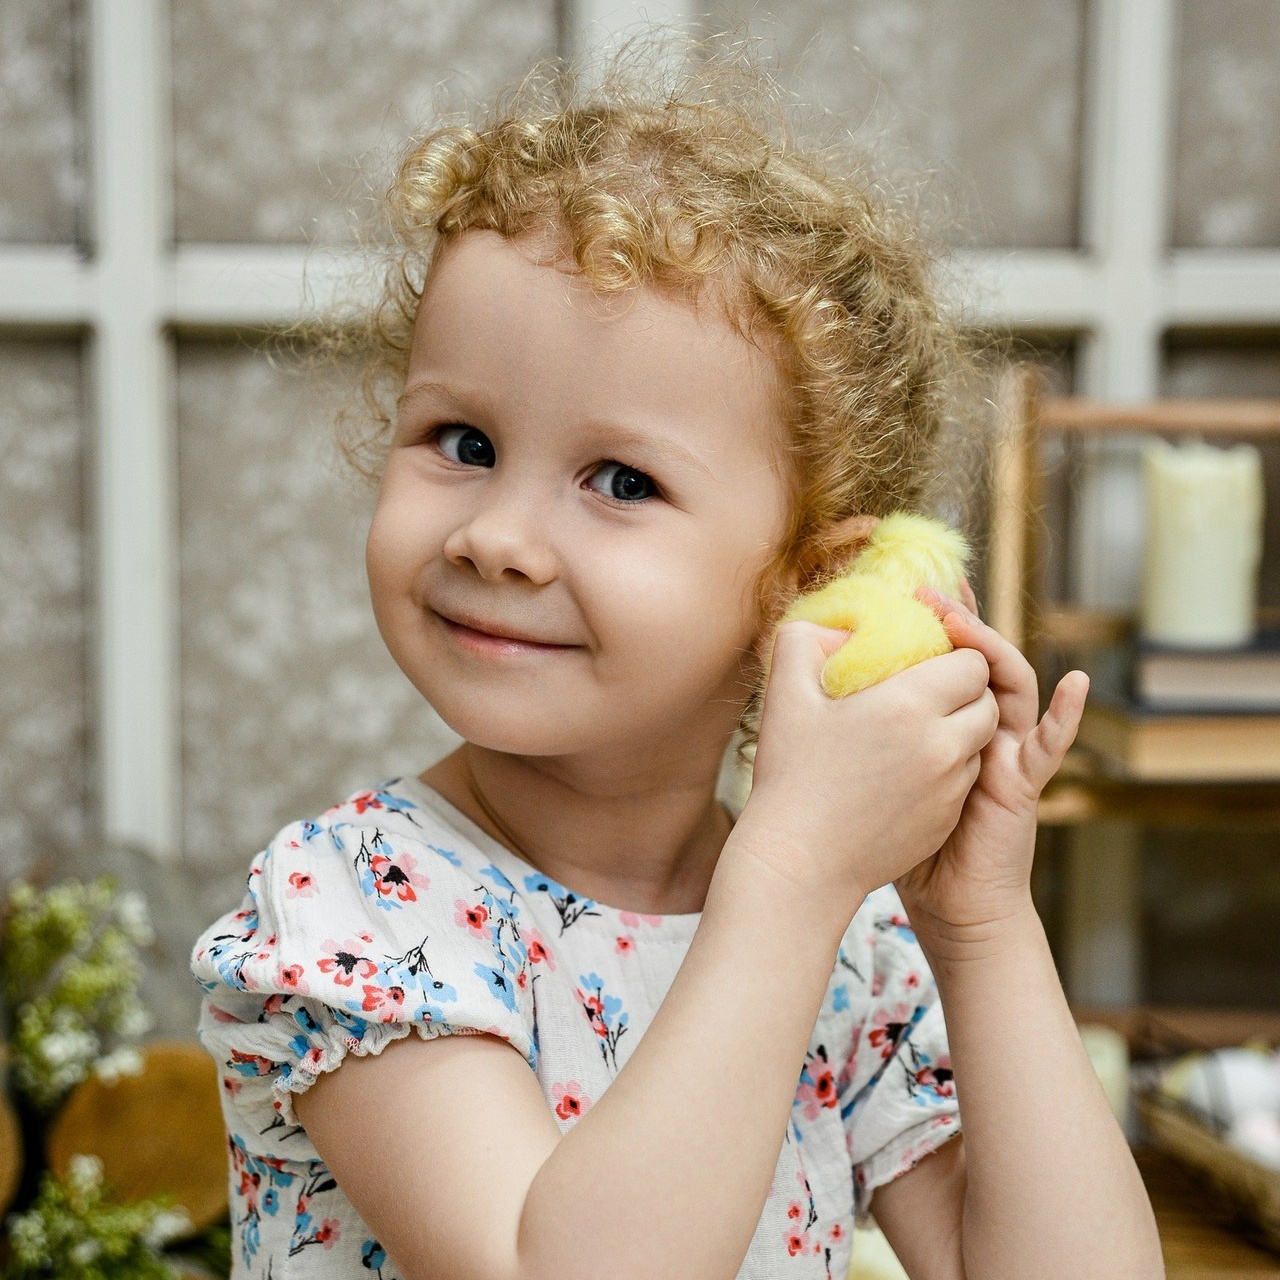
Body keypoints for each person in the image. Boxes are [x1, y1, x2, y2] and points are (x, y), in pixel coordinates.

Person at [190, 32, 1164, 1280]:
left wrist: (976, 923)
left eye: (619, 479)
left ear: (808, 582)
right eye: (463, 441)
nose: (497, 537)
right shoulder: (362, 912)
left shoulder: (843, 942)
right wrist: (795, 869)